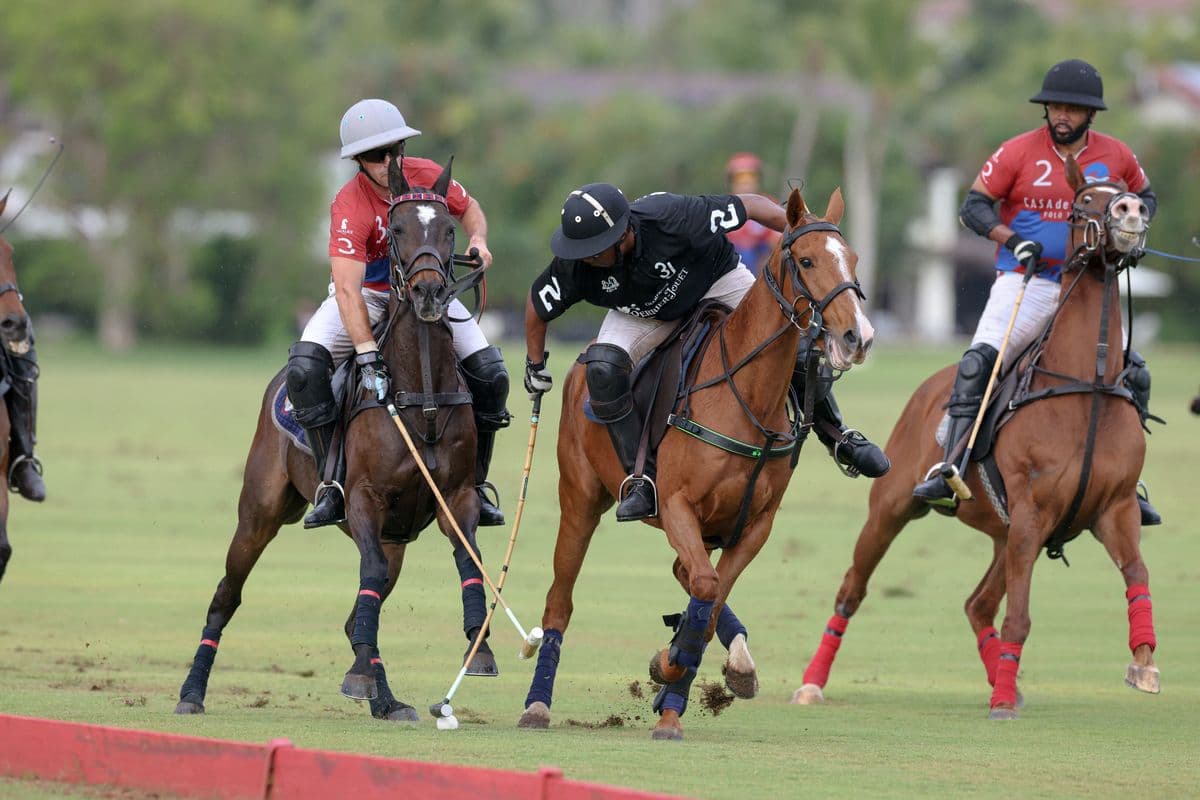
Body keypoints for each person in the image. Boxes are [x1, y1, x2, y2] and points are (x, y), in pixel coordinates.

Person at [524, 182, 888, 523]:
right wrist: (535, 364)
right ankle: (641, 480)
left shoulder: (670, 216)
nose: (585, 258)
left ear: (623, 234)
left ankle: (836, 435)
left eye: (594, 250)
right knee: (602, 369)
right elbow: (537, 308)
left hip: (717, 282)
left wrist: (802, 229)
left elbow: (750, 206)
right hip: (643, 313)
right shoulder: (576, 264)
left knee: (799, 344)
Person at [912, 59, 1162, 525]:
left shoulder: (1117, 155)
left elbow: (1145, 198)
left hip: (1090, 291)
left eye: (1072, 108)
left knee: (1136, 374)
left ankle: (1131, 485)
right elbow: (974, 206)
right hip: (1027, 283)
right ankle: (949, 464)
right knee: (979, 361)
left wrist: (1134, 227)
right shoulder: (1017, 152)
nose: (1061, 115)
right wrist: (1011, 239)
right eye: (1055, 107)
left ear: (1092, 115)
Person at [286, 99, 510, 529]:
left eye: (395, 148)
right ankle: (333, 485)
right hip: (367, 295)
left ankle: (475, 486)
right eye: (376, 154)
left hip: (428, 291)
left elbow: (469, 208)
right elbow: (348, 291)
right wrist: (367, 352)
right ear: (359, 161)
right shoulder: (350, 204)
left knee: (492, 374)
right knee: (303, 370)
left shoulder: (426, 174)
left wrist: (478, 239)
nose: (389, 161)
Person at [723, 153, 781, 276]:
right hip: (734, 261)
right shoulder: (724, 207)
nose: (746, 183)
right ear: (732, 181)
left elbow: (777, 237)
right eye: (740, 178)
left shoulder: (767, 204)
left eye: (751, 177)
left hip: (762, 260)